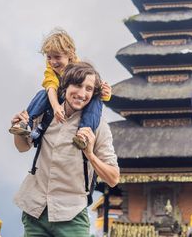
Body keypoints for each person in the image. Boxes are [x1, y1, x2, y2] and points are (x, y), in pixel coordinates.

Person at [12, 62, 120, 237]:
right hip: (35, 210)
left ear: (94, 94)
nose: (82, 93)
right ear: (65, 86)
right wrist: (18, 129)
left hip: (72, 215)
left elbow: (114, 178)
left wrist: (90, 154)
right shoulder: (47, 113)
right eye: (77, 85)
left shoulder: (98, 126)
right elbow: (22, 147)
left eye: (89, 88)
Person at [9, 28, 111, 149]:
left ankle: (84, 132)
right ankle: (25, 122)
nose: (53, 62)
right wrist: (56, 106)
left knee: (96, 100)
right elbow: (50, 87)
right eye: (49, 57)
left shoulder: (81, 70)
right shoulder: (50, 68)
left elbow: (93, 90)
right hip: (59, 98)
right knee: (43, 93)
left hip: (77, 99)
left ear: (70, 55)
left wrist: (106, 93)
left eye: (57, 57)